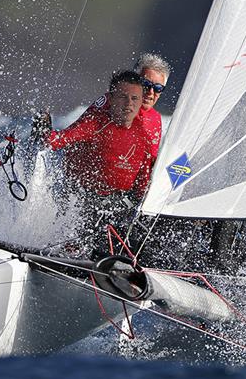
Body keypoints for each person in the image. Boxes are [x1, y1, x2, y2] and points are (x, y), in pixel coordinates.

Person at [34, 71, 155, 258]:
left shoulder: (143, 137)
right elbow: (58, 140)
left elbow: (143, 183)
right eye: (123, 97)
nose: (129, 104)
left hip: (118, 203)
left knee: (138, 246)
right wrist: (43, 132)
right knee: (79, 240)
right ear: (111, 97)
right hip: (81, 199)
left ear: (140, 102)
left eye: (134, 98)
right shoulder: (95, 123)